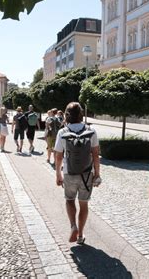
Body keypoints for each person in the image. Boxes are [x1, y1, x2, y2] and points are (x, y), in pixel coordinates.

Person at [54, 102, 101, 245]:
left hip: (69, 173)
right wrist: (97, 174)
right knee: (84, 204)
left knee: (69, 200)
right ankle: (80, 235)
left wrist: (58, 174)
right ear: (81, 114)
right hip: (86, 174)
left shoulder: (62, 132)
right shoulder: (91, 131)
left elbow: (58, 156)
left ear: (67, 115)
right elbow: (96, 154)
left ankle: (73, 226)